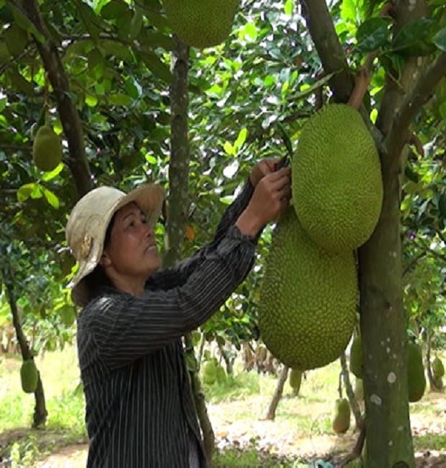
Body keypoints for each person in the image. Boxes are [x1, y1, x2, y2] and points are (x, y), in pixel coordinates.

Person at [65, 159, 292, 467]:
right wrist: (253, 217)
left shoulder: (153, 290)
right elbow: (189, 305)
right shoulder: (103, 318)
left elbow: (212, 257)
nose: (147, 230)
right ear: (103, 255)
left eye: (144, 220)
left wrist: (251, 192)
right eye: (131, 225)